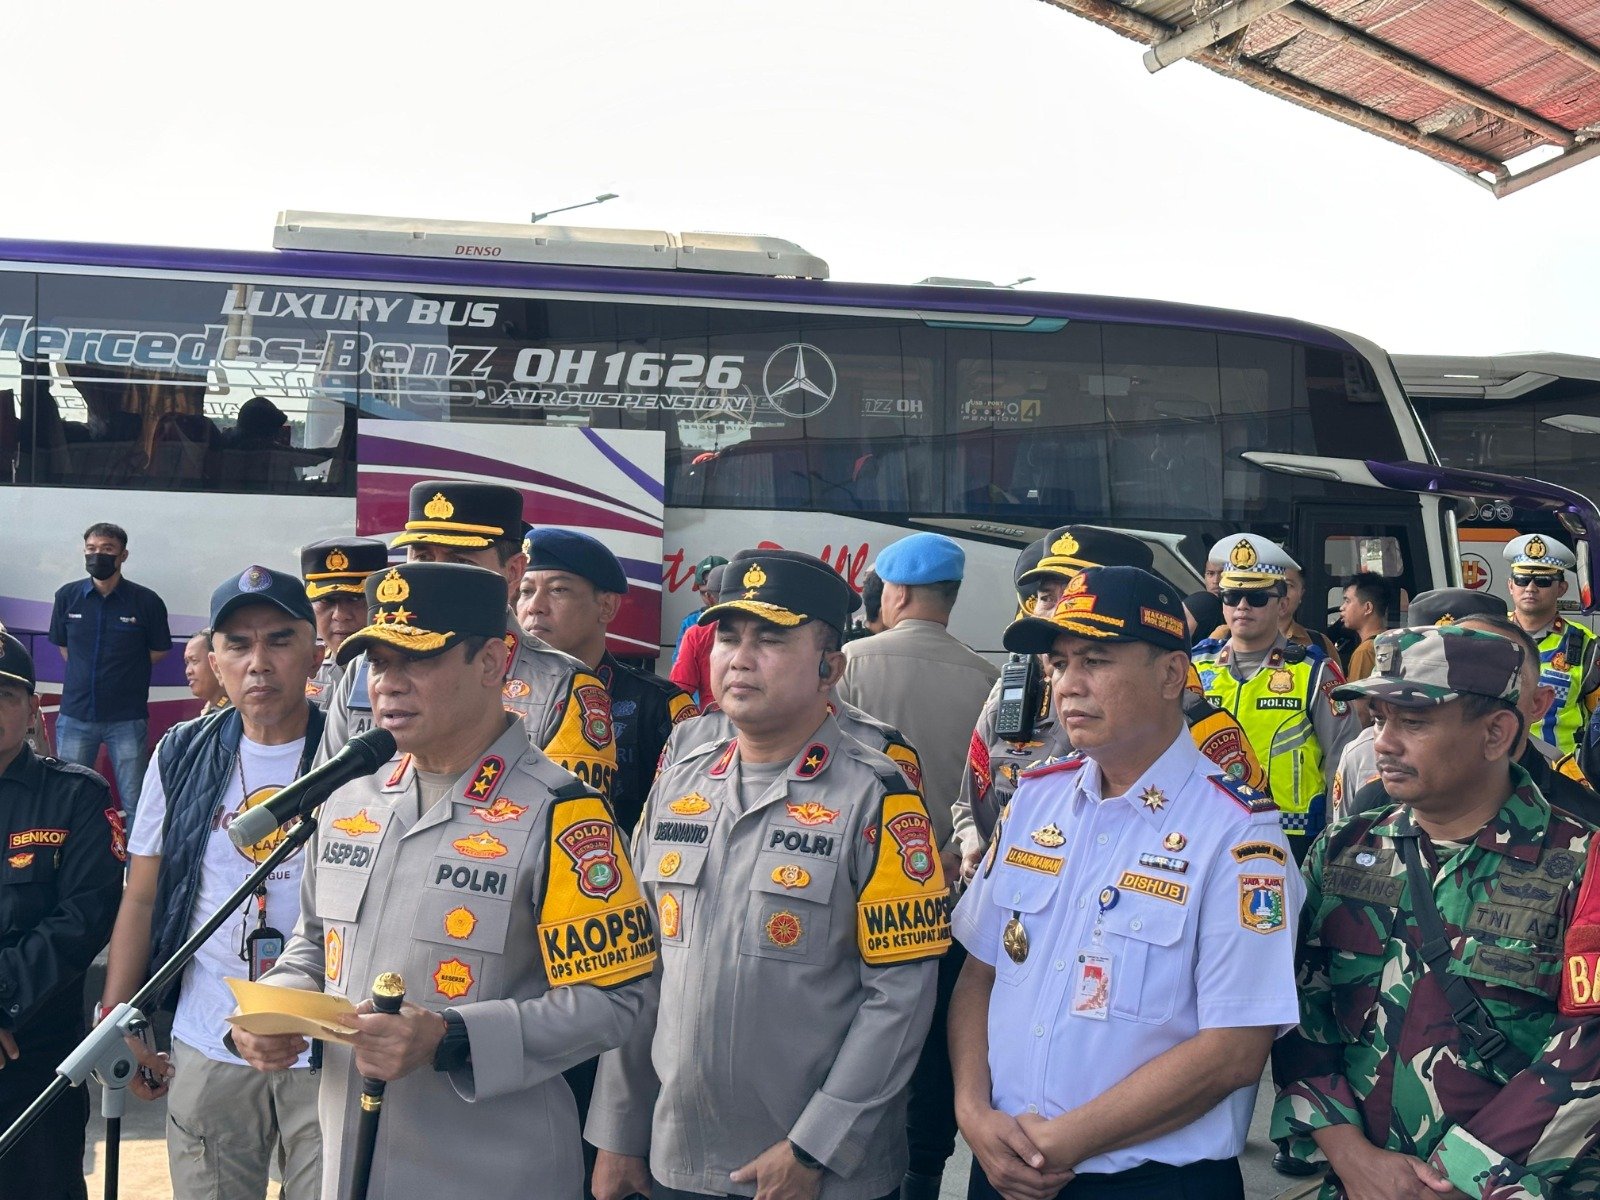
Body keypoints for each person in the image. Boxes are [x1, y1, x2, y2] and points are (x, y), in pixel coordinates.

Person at [235, 562, 656, 1200]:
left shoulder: (564, 813)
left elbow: (617, 1001)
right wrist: (278, 1005)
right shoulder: (350, 799)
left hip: (496, 1175)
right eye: (379, 663)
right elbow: (315, 944)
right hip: (351, 1164)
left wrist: (453, 1037)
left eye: (418, 659)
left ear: (491, 662)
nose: (388, 684)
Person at [588, 549, 950, 1200]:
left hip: (821, 1174)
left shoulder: (879, 795)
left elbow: (900, 995)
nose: (740, 657)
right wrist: (618, 1130)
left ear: (830, 666)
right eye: (729, 636)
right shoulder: (680, 782)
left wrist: (815, 1148)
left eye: (771, 639)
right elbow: (640, 970)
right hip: (679, 1158)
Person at [951, 565, 1301, 1200]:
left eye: (1096, 660)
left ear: (1171, 675)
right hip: (1001, 1165)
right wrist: (973, 1113)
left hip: (1150, 1183)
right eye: (1060, 663)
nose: (1068, 684)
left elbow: (1234, 1050)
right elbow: (980, 972)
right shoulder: (1035, 799)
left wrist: (1062, 1143)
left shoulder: (1239, 834)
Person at [1271, 625, 1600, 1196]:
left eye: (1413, 722)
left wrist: (1454, 1180)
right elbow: (1298, 1007)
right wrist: (1349, 1154)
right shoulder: (1343, 849)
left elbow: (1589, 1049)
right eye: (1379, 720)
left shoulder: (1583, 864)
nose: (1383, 743)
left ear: (1495, 733)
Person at [99, 566, 324, 1200]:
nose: (259, 663)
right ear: (215, 661)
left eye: (279, 640)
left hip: (326, 1047)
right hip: (207, 1039)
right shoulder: (180, 752)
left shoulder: (359, 753)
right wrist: (118, 1017)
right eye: (239, 645)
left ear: (315, 652)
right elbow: (142, 895)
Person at [318, 481, 618, 799]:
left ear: (514, 571)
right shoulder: (364, 668)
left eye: (460, 562)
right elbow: (325, 799)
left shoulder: (562, 685)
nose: (434, 578)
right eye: (423, 558)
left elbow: (564, 812)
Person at [0, 633, 123, 1200]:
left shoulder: (76, 796)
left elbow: (83, 918)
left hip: (36, 1057)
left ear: (32, 709)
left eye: (5, 696)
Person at [517, 528, 698, 834]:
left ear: (606, 606)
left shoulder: (660, 706)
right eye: (525, 590)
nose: (535, 605)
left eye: (558, 589)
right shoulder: (489, 695)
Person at [1192, 533, 1357, 861]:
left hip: (1291, 837)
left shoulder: (1312, 671)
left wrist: (1335, 838)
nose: (1241, 606)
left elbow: (1343, 759)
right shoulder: (1195, 666)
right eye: (1231, 596)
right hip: (1206, 829)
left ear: (1282, 604)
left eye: (1256, 597)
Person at [837, 532, 998, 862]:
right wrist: (953, 852)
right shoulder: (988, 677)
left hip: (863, 858)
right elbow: (991, 781)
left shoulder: (852, 660)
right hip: (947, 864)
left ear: (901, 594)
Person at [49, 521, 172, 818]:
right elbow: (64, 647)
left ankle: (135, 850)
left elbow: (159, 650)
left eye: (107, 549)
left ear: (123, 555)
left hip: (126, 718)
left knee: (136, 799)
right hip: (76, 715)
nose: (97, 555)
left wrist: (123, 672)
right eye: (91, 549)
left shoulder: (146, 601)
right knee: (69, 797)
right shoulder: (67, 597)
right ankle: (74, 849)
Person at [1503, 532, 1600, 757]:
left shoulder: (1586, 645)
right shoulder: (1488, 634)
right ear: (1510, 585)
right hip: (1496, 769)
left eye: (1543, 581)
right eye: (1522, 580)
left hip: (1559, 770)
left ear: (1562, 589)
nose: (1530, 588)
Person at [300, 536, 388, 710]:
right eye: (326, 600)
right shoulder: (304, 670)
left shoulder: (403, 671)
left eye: (355, 599)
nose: (340, 615)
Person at [669, 562, 725, 707]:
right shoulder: (774, 627)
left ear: (710, 597)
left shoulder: (696, 633)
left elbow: (678, 692)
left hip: (711, 715)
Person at [1336, 571, 1391, 684]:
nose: (1342, 607)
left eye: (1347, 601)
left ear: (1367, 608)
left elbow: (1354, 695)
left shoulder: (1365, 652)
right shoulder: (1391, 642)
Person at [671, 554, 726, 664]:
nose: (709, 597)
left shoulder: (747, 617)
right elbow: (679, 665)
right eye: (703, 592)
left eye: (715, 591)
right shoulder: (690, 622)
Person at [182, 629, 230, 717]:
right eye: (187, 662)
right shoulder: (213, 708)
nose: (188, 671)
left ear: (215, 662)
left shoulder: (241, 713)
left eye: (194, 661)